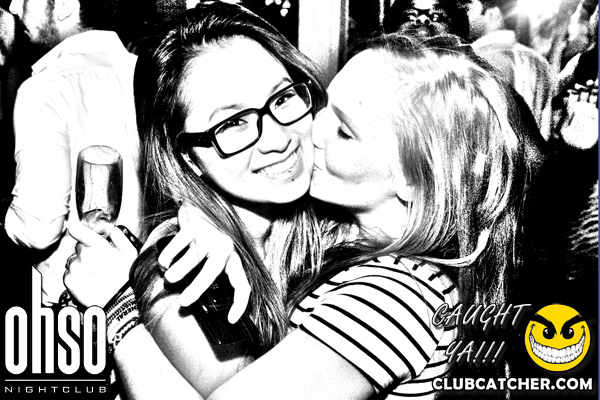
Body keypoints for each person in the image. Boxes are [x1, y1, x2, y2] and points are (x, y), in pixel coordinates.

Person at [66, 7, 535, 398]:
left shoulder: (392, 283)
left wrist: (118, 314)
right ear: (189, 157)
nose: (284, 137)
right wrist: (198, 221)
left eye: (284, 97)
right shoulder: (186, 269)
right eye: (232, 124)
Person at [3, 0, 142, 305]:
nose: (14, 6)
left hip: (71, 307)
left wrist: (5, 221)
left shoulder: (45, 87)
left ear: (65, 6)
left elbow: (38, 228)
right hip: (147, 299)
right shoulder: (147, 75)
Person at [466, 0, 553, 140]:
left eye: (467, 8)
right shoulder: (539, 61)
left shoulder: (475, 62)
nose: (460, 16)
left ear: (489, 11)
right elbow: (545, 128)